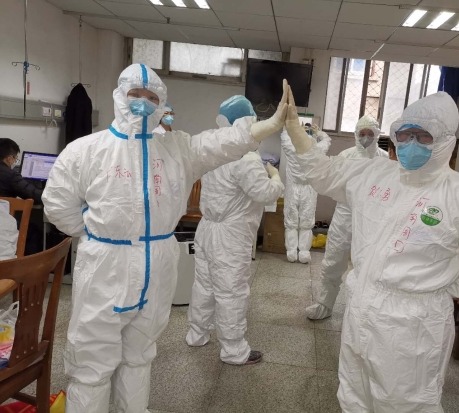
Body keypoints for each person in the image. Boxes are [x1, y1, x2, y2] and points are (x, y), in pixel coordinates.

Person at [42, 64, 289, 413]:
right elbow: (58, 205)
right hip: (106, 264)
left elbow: (219, 143)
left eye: (152, 97)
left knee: (140, 353)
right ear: (119, 96)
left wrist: (269, 124)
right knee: (92, 361)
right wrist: (101, 233)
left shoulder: (177, 148)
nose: (143, 102)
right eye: (135, 95)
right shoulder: (86, 150)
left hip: (157, 261)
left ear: (161, 104)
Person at [284, 90, 459, 412]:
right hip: (361, 308)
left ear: (446, 141)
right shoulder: (374, 174)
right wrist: (295, 129)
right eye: (404, 134)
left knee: (404, 404)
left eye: (423, 136)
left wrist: (434, 289)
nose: (411, 143)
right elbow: (323, 173)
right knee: (354, 393)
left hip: (413, 326)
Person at [186, 95, 285, 365]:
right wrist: (276, 178)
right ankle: (234, 350)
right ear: (247, 120)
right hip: (230, 236)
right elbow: (264, 193)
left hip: (207, 228)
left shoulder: (213, 149)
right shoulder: (246, 157)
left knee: (204, 284)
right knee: (231, 291)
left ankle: (197, 334)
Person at [306, 115, 388, 320]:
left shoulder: (385, 160)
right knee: (333, 259)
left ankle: (362, 310)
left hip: (372, 217)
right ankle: (324, 304)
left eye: (370, 134)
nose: (366, 138)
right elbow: (334, 183)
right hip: (345, 213)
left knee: (368, 264)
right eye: (362, 133)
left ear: (377, 134)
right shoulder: (346, 156)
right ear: (356, 134)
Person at [281, 124, 331, 263]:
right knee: (307, 221)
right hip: (309, 189)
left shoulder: (291, 148)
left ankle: (291, 253)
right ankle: (304, 253)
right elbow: (326, 141)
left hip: (293, 188)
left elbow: (284, 136)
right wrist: (318, 132)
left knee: (291, 221)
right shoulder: (316, 150)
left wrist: (295, 128)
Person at [0, 138, 43, 203]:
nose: (15, 162)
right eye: (15, 159)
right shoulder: (11, 175)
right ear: (9, 159)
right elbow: (32, 195)